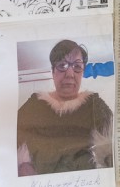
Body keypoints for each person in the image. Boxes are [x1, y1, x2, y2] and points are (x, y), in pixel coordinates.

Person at [16, 40, 113, 176]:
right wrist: (23, 166)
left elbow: (113, 147)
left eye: (77, 66)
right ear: (53, 71)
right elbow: (12, 139)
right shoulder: (35, 104)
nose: (70, 74)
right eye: (62, 65)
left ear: (82, 72)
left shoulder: (95, 105)